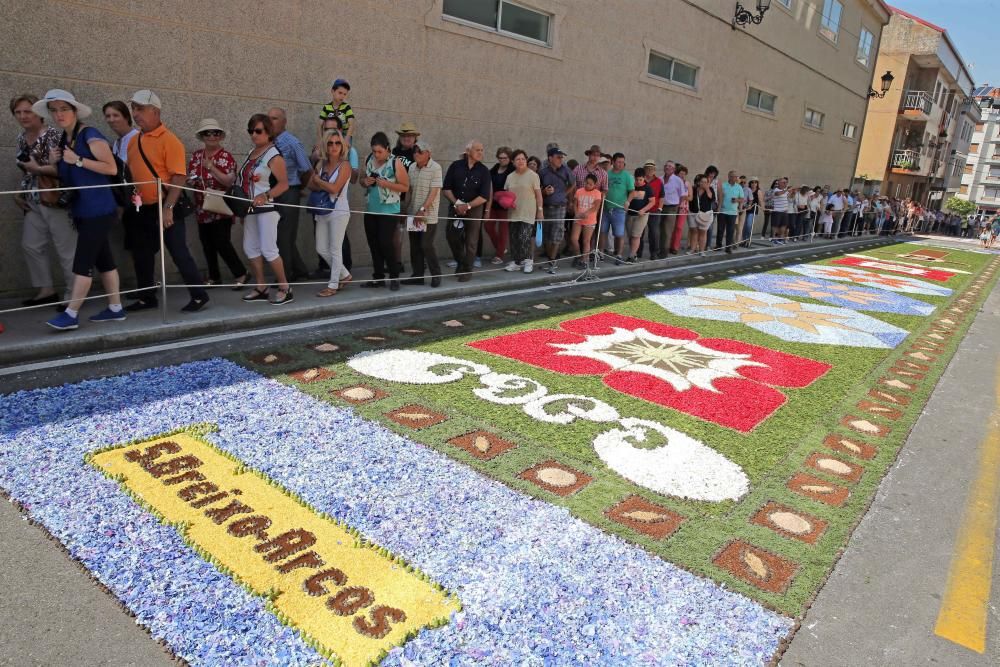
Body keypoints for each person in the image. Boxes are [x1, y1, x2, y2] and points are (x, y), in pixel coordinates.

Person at [31, 91, 125, 331]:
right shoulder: (65, 139)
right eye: (54, 110)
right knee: (104, 260)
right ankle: (116, 308)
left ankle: (71, 313)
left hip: (99, 208)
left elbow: (111, 168)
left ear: (74, 111)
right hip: (84, 209)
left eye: (64, 108)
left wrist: (78, 160)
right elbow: (68, 174)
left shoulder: (89, 134)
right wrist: (55, 162)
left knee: (83, 262)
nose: (59, 114)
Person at [124, 90, 209, 312]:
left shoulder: (169, 140)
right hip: (142, 206)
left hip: (166, 204)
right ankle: (146, 296)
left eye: (140, 109)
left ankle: (199, 295)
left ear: (155, 111)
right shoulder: (134, 140)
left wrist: (168, 208)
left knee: (178, 252)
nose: (136, 114)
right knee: (141, 253)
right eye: (134, 108)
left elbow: (178, 177)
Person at [11, 93, 76, 307]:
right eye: (18, 112)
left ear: (38, 113)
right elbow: (27, 171)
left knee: (65, 247)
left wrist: (37, 169)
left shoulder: (53, 136)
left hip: (54, 197)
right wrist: (21, 193)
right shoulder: (22, 138)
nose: (23, 116)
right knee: (30, 245)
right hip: (34, 199)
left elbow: (62, 169)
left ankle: (74, 295)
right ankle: (46, 290)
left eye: (27, 111)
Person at [236, 113, 293, 305]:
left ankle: (285, 287)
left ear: (268, 132)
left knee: (269, 249)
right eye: (251, 130)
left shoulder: (273, 155)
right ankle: (261, 286)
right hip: (251, 209)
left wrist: (266, 196)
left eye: (258, 131)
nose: (254, 134)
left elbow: (284, 184)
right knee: (250, 248)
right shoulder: (252, 152)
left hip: (268, 208)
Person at [187, 118, 246, 288]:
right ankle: (214, 277)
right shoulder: (197, 156)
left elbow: (229, 181)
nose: (211, 136)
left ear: (220, 136)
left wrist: (211, 168)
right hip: (202, 207)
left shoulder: (226, 157)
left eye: (215, 133)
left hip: (221, 206)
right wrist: (192, 181)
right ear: (202, 136)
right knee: (206, 244)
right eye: (207, 133)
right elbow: (190, 175)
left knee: (222, 243)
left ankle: (241, 273)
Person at [309, 114, 357, 278]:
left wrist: (317, 180)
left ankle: (333, 284)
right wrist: (314, 177)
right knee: (321, 248)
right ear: (325, 145)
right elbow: (311, 185)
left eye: (337, 143)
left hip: (338, 210)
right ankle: (345, 275)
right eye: (330, 143)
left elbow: (335, 189)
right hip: (322, 209)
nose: (334, 146)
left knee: (335, 249)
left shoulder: (345, 164)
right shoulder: (321, 163)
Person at [268, 107, 312, 281]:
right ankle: (300, 270)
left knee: (284, 237)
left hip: (289, 192)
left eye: (275, 118)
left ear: (284, 122)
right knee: (281, 235)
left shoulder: (292, 142)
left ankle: (284, 278)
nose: (271, 122)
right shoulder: (267, 142)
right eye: (268, 118)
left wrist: (298, 188)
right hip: (272, 192)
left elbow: (307, 169)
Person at [361, 131, 409, 290]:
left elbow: (405, 187)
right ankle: (378, 277)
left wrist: (387, 184)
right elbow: (362, 181)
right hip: (371, 209)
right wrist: (365, 181)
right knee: (373, 244)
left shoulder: (396, 162)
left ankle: (394, 276)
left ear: (387, 149)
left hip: (389, 211)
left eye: (380, 151)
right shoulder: (369, 159)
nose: (376, 154)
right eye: (374, 151)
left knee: (386, 243)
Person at [443, 140, 490, 282]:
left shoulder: (484, 171)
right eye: (477, 150)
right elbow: (446, 188)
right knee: (451, 236)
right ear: (468, 151)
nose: (480, 152)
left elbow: (484, 196)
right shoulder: (455, 166)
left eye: (482, 150)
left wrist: (467, 206)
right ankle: (461, 262)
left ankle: (467, 270)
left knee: (471, 241)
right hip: (455, 206)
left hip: (474, 208)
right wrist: (458, 204)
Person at [402, 140, 443, 287]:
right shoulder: (412, 167)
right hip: (413, 213)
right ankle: (417, 276)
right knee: (415, 246)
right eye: (415, 151)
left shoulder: (436, 168)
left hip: (428, 214)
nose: (416, 154)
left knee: (426, 245)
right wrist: (405, 209)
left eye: (420, 151)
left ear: (428, 153)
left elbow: (434, 192)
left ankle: (436, 274)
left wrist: (422, 209)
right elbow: (409, 191)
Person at [503, 149, 542, 274]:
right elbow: (505, 195)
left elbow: (539, 195)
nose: (521, 161)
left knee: (524, 237)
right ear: (513, 162)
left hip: (528, 211)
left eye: (523, 159)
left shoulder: (533, 176)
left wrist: (540, 211)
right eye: (517, 159)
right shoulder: (509, 177)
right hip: (513, 212)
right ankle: (516, 262)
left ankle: (528, 261)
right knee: (514, 238)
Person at [538, 146, 574, 274]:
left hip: (560, 206)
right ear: (550, 158)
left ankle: (552, 261)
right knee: (546, 235)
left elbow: (573, 184)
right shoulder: (543, 172)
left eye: (561, 157)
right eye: (558, 157)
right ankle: (549, 260)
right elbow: (538, 189)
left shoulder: (566, 170)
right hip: (546, 206)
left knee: (557, 234)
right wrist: (544, 192)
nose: (561, 159)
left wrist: (564, 194)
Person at [484, 146, 514, 265]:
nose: (502, 160)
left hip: (506, 204)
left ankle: (499, 255)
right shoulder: (494, 169)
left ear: (509, 158)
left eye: (505, 158)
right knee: (488, 226)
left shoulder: (512, 170)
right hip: (493, 202)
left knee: (503, 231)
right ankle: (501, 248)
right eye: (500, 158)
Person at [603, 153, 633, 263]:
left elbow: (632, 191)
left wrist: (628, 202)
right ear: (613, 162)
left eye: (622, 162)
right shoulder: (607, 174)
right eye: (619, 162)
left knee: (619, 234)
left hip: (619, 209)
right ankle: (600, 253)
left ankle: (619, 255)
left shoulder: (627, 176)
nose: (621, 164)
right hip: (606, 209)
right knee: (603, 231)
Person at [570, 173, 602, 268]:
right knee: (574, 239)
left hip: (590, 220)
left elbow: (596, 207)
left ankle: (584, 261)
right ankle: (578, 256)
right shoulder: (579, 191)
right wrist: (576, 213)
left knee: (586, 241)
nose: (588, 185)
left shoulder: (597, 193)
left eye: (590, 184)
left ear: (595, 185)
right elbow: (575, 204)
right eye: (586, 183)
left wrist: (586, 213)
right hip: (578, 219)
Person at [625, 167, 655, 263]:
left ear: (644, 178)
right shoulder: (632, 186)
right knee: (630, 236)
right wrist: (627, 203)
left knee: (636, 235)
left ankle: (632, 255)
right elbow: (629, 197)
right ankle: (633, 253)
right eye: (636, 179)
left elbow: (652, 202)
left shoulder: (648, 188)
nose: (638, 182)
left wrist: (644, 210)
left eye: (640, 180)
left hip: (641, 216)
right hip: (630, 214)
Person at [659, 161, 684, 259]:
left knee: (667, 230)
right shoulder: (660, 179)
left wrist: (678, 206)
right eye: (666, 166)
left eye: (670, 166)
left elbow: (682, 195)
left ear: (673, 169)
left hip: (672, 207)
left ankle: (664, 252)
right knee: (659, 229)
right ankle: (660, 249)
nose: (667, 167)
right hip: (661, 207)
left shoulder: (678, 180)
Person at [319, 79, 354, 146]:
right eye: (340, 93)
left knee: (346, 152)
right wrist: (320, 140)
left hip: (344, 135)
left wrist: (347, 138)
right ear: (332, 91)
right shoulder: (326, 107)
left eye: (344, 94)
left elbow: (352, 125)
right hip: (329, 135)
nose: (342, 96)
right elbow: (319, 125)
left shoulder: (346, 107)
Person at [717, 170, 744, 253]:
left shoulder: (739, 187)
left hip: (733, 212)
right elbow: (718, 196)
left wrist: (737, 200)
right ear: (728, 176)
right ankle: (718, 246)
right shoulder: (723, 185)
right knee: (720, 229)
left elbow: (742, 199)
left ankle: (728, 247)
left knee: (730, 230)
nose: (734, 178)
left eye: (735, 176)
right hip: (722, 211)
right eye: (732, 176)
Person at [690, 173, 715, 254]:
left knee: (703, 232)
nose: (703, 183)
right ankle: (693, 249)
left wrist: (707, 189)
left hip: (705, 214)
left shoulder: (710, 189)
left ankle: (701, 251)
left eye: (705, 182)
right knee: (694, 231)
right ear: (698, 182)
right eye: (702, 182)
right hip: (693, 213)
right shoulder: (694, 189)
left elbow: (711, 199)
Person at [768, 177, 791, 245]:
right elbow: (778, 194)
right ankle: (773, 238)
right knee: (775, 225)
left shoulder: (785, 190)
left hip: (784, 211)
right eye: (784, 182)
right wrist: (787, 190)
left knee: (784, 225)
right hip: (777, 211)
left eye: (786, 182)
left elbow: (788, 198)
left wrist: (793, 193)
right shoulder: (776, 189)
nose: (785, 184)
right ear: (779, 183)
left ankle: (780, 238)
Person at [742, 178, 762, 247]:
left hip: (753, 210)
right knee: (744, 226)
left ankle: (748, 240)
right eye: (752, 182)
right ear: (750, 183)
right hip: (745, 209)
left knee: (749, 225)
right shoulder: (747, 189)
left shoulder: (758, 191)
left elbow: (760, 201)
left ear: (757, 183)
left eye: (755, 182)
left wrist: (763, 207)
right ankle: (743, 240)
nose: (754, 184)